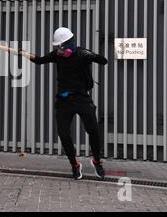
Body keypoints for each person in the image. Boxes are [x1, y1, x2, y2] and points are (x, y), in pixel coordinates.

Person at [27, 27, 108, 180]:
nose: (61, 50)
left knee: (93, 131)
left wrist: (91, 55)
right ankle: (75, 165)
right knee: (63, 134)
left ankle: (97, 161)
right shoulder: (57, 55)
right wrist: (22, 53)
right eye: (58, 47)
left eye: (62, 47)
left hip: (82, 99)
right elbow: (39, 61)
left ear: (70, 43)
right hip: (64, 101)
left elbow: (104, 61)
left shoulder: (81, 54)